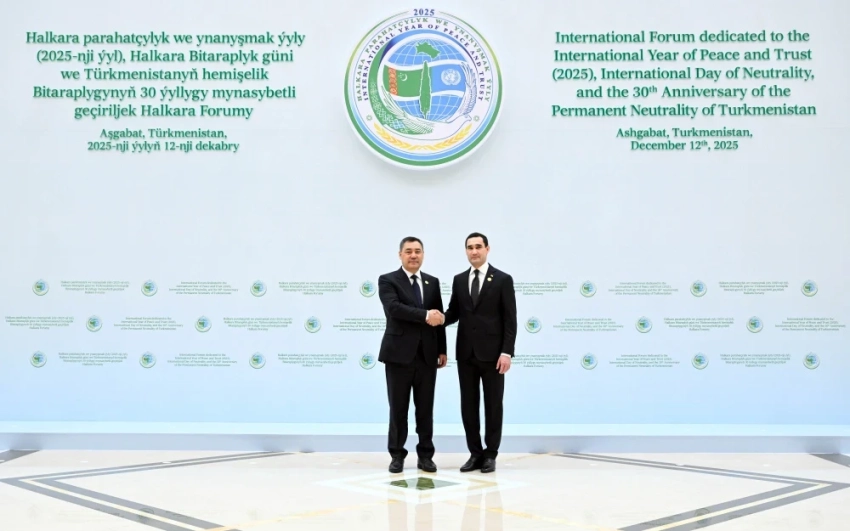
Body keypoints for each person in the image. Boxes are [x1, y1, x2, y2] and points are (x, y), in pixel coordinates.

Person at [443, 232, 517, 473]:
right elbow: (454, 312)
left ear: (487, 249)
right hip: (466, 354)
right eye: (469, 247)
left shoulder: (502, 279)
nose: (473, 251)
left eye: (478, 246)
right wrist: (436, 318)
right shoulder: (459, 279)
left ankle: (490, 454)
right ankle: (475, 453)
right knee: (468, 405)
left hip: (494, 356)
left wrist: (506, 352)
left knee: (493, 405)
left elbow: (510, 319)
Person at [377, 236, 448, 474]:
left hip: (427, 356)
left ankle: (426, 456)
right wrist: (425, 315)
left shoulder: (432, 282)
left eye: (418, 251)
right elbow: (394, 309)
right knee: (398, 409)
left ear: (423, 255)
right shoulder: (388, 280)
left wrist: (442, 349)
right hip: (398, 355)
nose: (413, 255)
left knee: (425, 409)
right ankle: (397, 455)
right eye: (408, 251)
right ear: (400, 255)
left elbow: (438, 317)